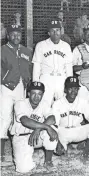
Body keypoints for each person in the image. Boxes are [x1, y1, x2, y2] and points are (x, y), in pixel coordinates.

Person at [10, 82, 58, 173]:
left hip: (37, 136)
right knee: (23, 169)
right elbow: (25, 121)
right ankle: (28, 153)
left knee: (53, 128)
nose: (37, 97)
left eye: (39, 94)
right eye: (34, 93)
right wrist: (45, 127)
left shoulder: (44, 104)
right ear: (28, 94)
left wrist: (38, 129)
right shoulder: (20, 103)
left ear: (43, 95)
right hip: (21, 137)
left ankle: (48, 161)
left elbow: (52, 118)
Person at [1, 24, 32, 162]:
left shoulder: (26, 50)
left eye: (18, 34)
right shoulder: (2, 50)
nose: (16, 36)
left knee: (18, 118)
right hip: (6, 87)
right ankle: (1, 153)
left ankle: (18, 149)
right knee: (5, 118)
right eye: (13, 34)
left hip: (21, 87)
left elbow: (29, 69)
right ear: (8, 36)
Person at [52, 76, 89, 154]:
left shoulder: (82, 102)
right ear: (65, 89)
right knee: (59, 152)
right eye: (70, 88)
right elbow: (55, 125)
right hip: (63, 132)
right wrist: (57, 142)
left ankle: (85, 152)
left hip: (78, 131)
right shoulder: (57, 104)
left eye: (76, 88)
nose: (73, 91)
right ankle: (70, 145)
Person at [32, 20, 73, 105]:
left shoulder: (66, 46)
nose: (55, 32)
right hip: (46, 78)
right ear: (48, 32)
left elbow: (68, 67)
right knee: (44, 105)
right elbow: (36, 65)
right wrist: (35, 83)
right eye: (52, 30)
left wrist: (70, 83)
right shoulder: (41, 45)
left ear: (61, 31)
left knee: (63, 106)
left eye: (57, 30)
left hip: (61, 79)